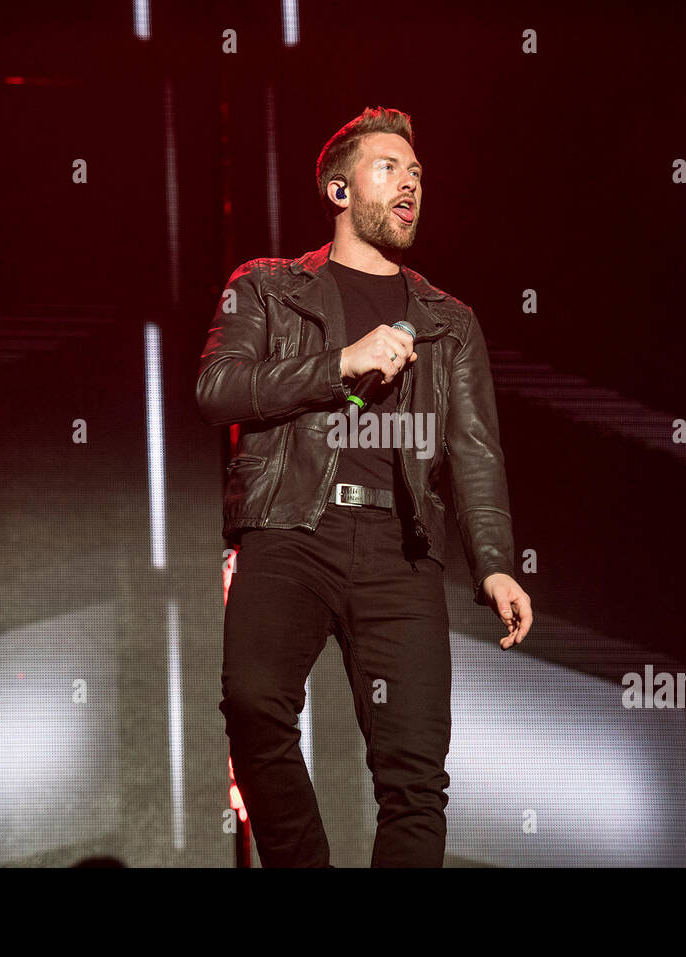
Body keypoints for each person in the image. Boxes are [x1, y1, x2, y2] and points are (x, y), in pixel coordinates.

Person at [196, 106, 533, 867]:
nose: (410, 182)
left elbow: (473, 449)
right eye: (390, 168)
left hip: (400, 549)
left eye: (417, 173)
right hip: (289, 529)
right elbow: (219, 387)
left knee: (416, 779)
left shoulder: (450, 321)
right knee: (254, 707)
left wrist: (494, 561)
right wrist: (338, 365)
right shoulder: (268, 287)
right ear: (339, 190)